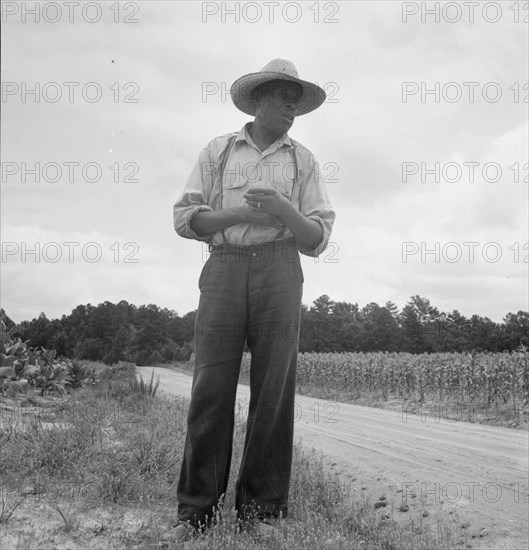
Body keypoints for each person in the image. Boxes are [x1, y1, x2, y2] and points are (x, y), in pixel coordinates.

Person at [164, 58, 335, 545]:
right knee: (210, 390)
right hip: (223, 269)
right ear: (257, 100)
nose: (290, 108)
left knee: (273, 394)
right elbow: (186, 219)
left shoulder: (303, 162)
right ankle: (195, 512)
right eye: (282, 97)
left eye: (295, 101)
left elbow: (317, 238)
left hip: (281, 272)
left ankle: (261, 510)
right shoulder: (218, 152)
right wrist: (239, 212)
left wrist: (282, 208)